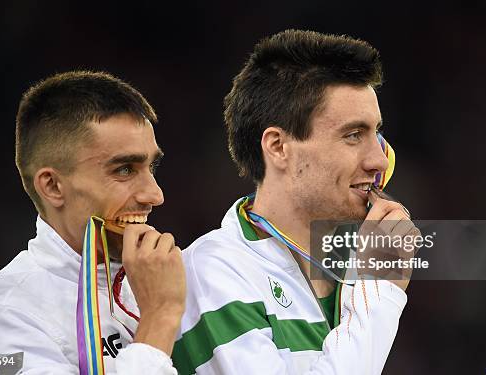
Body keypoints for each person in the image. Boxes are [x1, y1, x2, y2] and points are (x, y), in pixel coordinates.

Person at [172, 30, 417, 374]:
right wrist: (378, 292)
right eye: (352, 135)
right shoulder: (213, 272)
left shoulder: (353, 260)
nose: (379, 160)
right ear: (278, 147)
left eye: (376, 133)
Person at [0, 71, 185, 374]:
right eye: (125, 169)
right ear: (53, 186)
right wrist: (159, 319)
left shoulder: (159, 284)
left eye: (151, 166)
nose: (155, 194)